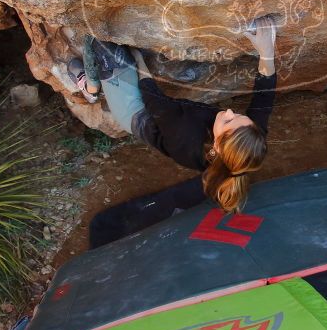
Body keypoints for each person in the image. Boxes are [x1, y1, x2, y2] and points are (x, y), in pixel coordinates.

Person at [67, 15, 278, 218]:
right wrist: (266, 51)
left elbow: (153, 98)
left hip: (138, 113)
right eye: (239, 116)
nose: (231, 112)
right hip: (169, 115)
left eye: (229, 122)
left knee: (103, 45)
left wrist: (138, 57)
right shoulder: (247, 144)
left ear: (217, 147)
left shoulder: (185, 133)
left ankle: (91, 87)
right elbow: (263, 100)